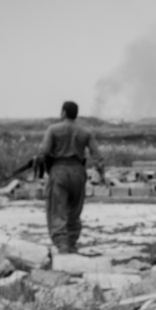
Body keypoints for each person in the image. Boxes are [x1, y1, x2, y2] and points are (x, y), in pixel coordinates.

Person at [39, 101, 105, 253]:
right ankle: (72, 241)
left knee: (57, 209)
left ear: (63, 113)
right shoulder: (85, 132)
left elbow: (45, 152)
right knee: (75, 210)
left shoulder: (53, 129)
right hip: (78, 173)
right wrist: (102, 174)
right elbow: (98, 156)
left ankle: (62, 244)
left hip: (59, 172)